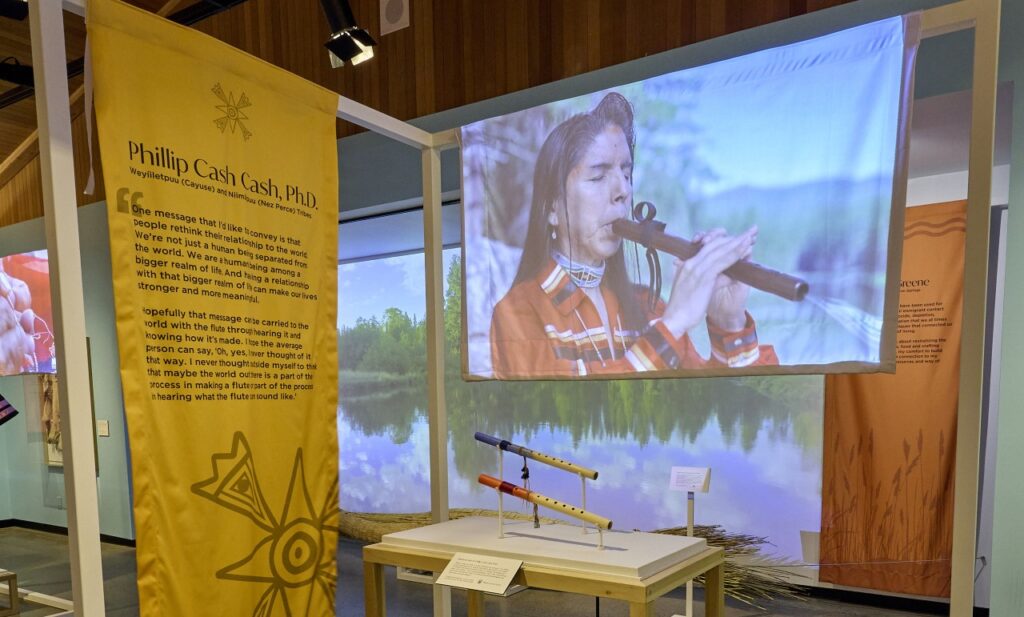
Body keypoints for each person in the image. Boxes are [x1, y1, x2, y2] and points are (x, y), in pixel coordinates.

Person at [490, 92, 777, 378]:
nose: (623, 192)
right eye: (598, 176)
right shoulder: (519, 314)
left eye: (626, 175)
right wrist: (673, 324)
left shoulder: (648, 307)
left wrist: (729, 322)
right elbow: (568, 419)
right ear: (552, 208)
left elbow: (713, 414)